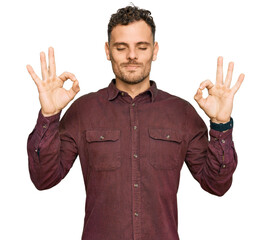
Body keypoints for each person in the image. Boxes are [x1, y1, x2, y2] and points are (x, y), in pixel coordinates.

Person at [26, 5, 244, 240]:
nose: (132, 55)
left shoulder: (182, 114)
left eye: (142, 47)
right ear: (108, 51)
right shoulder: (83, 111)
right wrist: (49, 116)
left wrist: (220, 125)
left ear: (155, 50)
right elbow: (44, 179)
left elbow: (217, 185)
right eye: (121, 47)